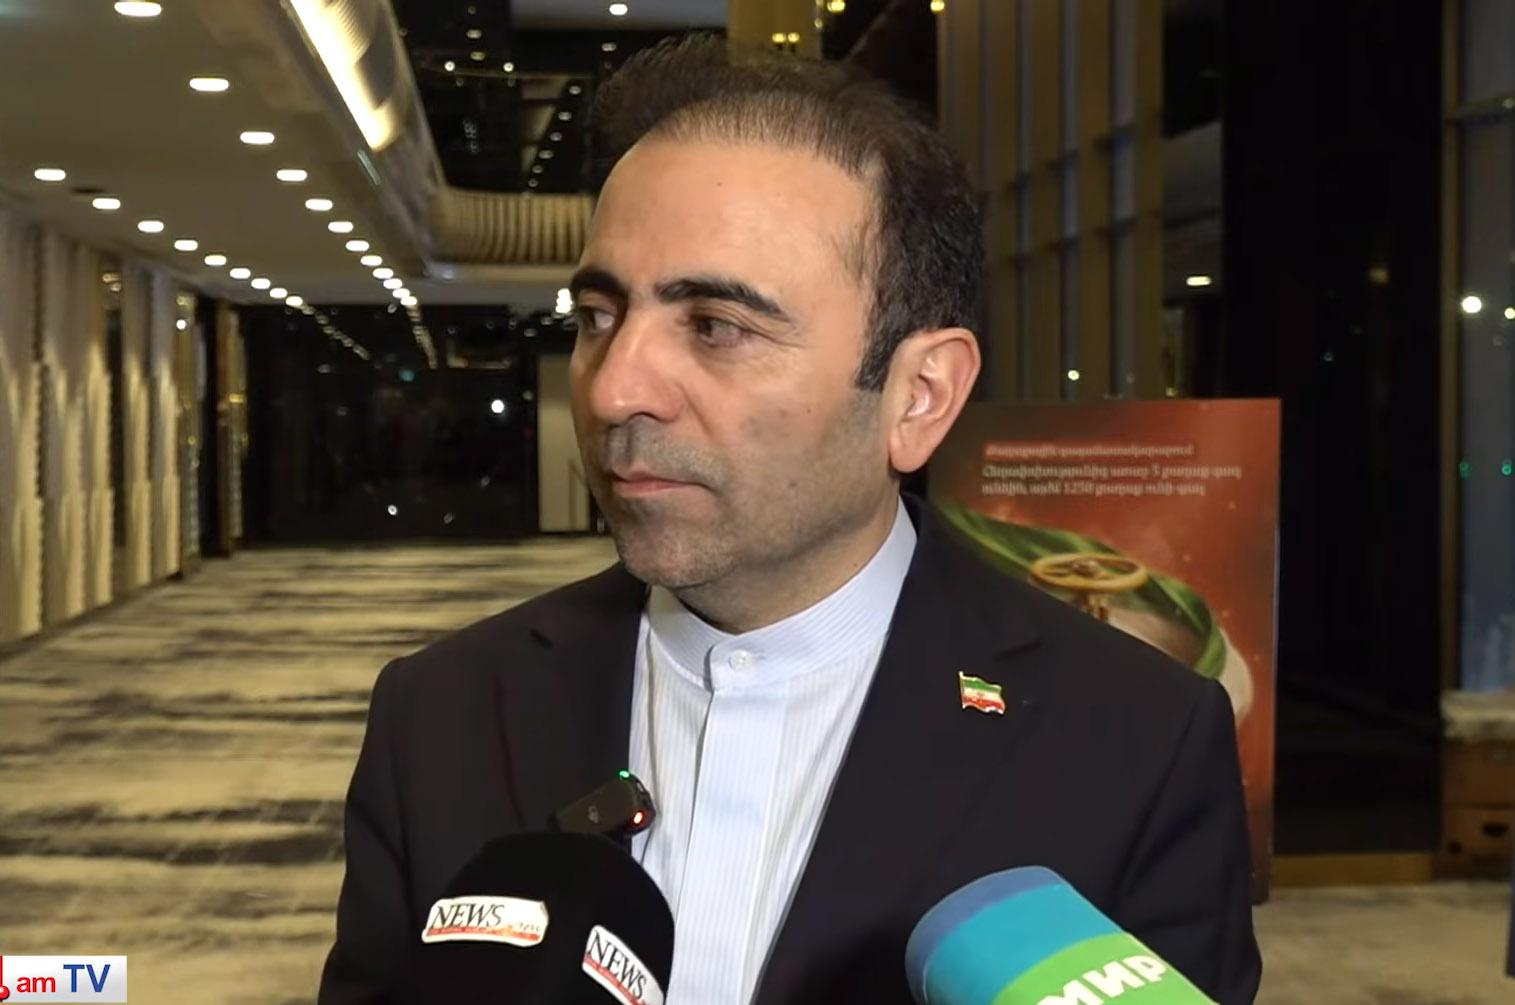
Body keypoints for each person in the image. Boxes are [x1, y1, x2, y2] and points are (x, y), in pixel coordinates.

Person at [319, 36, 1261, 1005]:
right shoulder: (441, 713)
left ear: (919, 396)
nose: (612, 390)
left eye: (716, 326)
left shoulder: (1137, 740)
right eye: (598, 316)